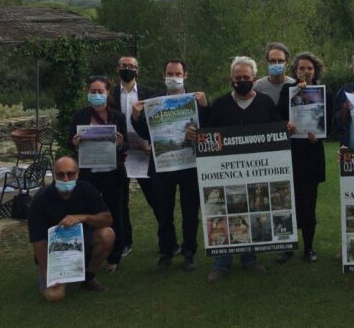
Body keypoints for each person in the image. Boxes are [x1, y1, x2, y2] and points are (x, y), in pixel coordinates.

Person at [194, 56, 283, 283]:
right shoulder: (221, 104)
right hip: (226, 171)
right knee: (224, 213)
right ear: (231, 79)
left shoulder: (265, 103)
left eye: (246, 77)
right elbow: (209, 135)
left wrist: (287, 130)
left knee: (251, 212)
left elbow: (276, 133)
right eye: (238, 77)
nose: (242, 81)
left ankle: (249, 259)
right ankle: (221, 263)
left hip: (257, 170)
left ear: (254, 78)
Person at [131, 58, 208, 273]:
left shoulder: (196, 100)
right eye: (170, 74)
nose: (173, 78)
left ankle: (189, 252)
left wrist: (204, 108)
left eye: (177, 74)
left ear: (185, 75)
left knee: (190, 211)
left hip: (189, 164)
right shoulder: (154, 103)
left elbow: (208, 126)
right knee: (163, 212)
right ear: (164, 75)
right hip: (162, 165)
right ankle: (166, 252)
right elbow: (146, 133)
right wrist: (136, 116)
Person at [28, 157, 115, 301]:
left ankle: (88, 278)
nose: (66, 179)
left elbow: (108, 219)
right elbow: (38, 241)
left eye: (70, 173)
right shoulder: (40, 200)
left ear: (78, 173)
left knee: (107, 234)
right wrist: (46, 273)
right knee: (55, 296)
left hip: (81, 242)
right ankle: (62, 275)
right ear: (54, 175)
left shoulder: (87, 190)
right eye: (60, 174)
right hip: (54, 252)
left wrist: (83, 217)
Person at [276, 52, 332, 263]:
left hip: (312, 154)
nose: (306, 72)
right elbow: (278, 117)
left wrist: (319, 136)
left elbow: (329, 125)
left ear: (315, 71)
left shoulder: (324, 93)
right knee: (286, 202)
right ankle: (287, 246)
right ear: (295, 71)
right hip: (290, 153)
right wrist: (286, 125)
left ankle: (308, 248)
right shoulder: (287, 90)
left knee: (309, 204)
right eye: (301, 68)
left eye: (309, 68)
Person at [68, 75, 128, 272]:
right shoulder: (80, 116)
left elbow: (125, 145)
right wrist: (74, 143)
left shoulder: (118, 117)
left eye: (100, 91)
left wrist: (120, 144)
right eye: (92, 91)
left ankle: (114, 256)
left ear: (107, 92)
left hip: (112, 173)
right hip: (89, 174)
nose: (96, 95)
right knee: (87, 212)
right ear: (88, 92)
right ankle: (89, 251)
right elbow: (70, 142)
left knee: (115, 213)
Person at [108, 56, 156, 258]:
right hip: (120, 154)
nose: (127, 69)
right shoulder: (110, 94)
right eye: (124, 66)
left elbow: (156, 121)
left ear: (137, 70)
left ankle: (168, 241)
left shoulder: (149, 94)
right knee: (121, 202)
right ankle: (125, 241)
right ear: (118, 69)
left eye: (131, 66)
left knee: (156, 198)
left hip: (144, 153)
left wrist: (152, 142)